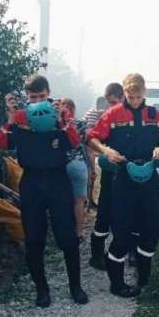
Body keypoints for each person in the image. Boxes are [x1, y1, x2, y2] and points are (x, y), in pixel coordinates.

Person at [0, 74, 88, 308]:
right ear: (27, 97)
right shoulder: (22, 119)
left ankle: (75, 286)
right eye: (33, 98)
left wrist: (61, 120)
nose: (37, 101)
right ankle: (41, 290)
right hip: (32, 183)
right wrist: (11, 119)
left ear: (49, 93)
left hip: (57, 180)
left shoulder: (58, 115)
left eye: (42, 96)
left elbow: (74, 142)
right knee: (34, 239)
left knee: (67, 236)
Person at [88, 73, 159, 297]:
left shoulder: (155, 114)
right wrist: (105, 150)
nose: (134, 100)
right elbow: (92, 137)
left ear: (145, 93)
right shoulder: (113, 114)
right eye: (130, 96)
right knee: (122, 232)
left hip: (149, 177)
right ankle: (117, 284)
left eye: (138, 96)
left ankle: (143, 277)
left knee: (152, 229)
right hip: (123, 177)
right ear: (124, 92)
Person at [88, 83, 125, 271]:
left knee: (126, 214)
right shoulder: (106, 118)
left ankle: (125, 251)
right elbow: (93, 142)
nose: (110, 107)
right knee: (104, 214)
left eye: (113, 102)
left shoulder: (130, 118)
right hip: (110, 175)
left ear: (122, 98)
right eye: (109, 103)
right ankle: (96, 255)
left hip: (127, 176)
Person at [63, 98, 90, 240]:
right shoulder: (80, 124)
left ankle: (65, 230)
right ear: (73, 109)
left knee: (63, 200)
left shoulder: (55, 124)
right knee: (79, 201)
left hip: (59, 166)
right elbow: (88, 148)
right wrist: (92, 170)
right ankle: (79, 232)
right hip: (78, 165)